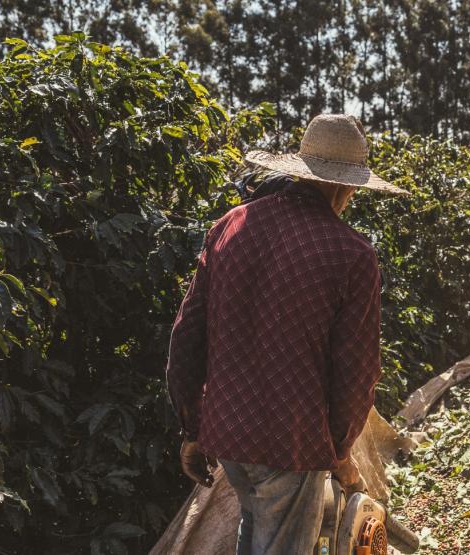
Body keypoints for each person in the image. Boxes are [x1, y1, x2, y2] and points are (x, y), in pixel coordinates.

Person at [165, 113, 409, 554]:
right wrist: (337, 449)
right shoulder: (352, 254)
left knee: (255, 530)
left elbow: (186, 336)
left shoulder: (230, 225)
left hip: (228, 435)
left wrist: (192, 428)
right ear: (347, 187)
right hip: (291, 444)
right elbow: (357, 372)